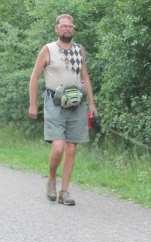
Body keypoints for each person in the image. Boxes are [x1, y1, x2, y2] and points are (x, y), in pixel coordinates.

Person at [28, 14, 97, 206]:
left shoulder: (79, 50)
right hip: (54, 102)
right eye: (63, 26)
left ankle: (64, 192)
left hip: (77, 104)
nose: (67, 28)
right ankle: (51, 179)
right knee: (58, 147)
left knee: (72, 148)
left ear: (73, 29)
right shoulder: (48, 49)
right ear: (56, 29)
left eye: (70, 26)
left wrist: (91, 104)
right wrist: (33, 104)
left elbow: (85, 78)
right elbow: (34, 78)